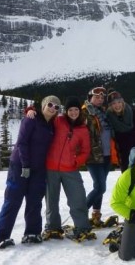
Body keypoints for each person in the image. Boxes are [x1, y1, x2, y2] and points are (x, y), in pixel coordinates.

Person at [0, 96, 60, 249]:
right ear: (43, 105)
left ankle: (32, 233)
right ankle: (1, 237)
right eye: (50, 104)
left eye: (56, 107)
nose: (53, 108)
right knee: (13, 200)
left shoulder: (52, 126)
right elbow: (22, 142)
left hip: (39, 169)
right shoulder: (30, 120)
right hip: (20, 166)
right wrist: (25, 165)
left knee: (35, 201)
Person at [42, 97, 93, 241]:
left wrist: (77, 161)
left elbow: (85, 150)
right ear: (66, 111)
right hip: (51, 168)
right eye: (70, 110)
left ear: (79, 111)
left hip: (70, 169)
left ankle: (82, 227)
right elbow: (43, 117)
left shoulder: (83, 129)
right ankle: (52, 227)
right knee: (51, 200)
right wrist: (30, 110)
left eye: (76, 109)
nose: (73, 112)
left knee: (78, 198)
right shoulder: (58, 121)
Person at [83, 86, 117, 227]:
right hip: (93, 156)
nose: (100, 99)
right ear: (90, 97)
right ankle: (80, 213)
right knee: (100, 187)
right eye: (96, 97)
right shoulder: (84, 112)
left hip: (107, 155)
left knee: (100, 185)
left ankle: (96, 215)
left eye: (102, 97)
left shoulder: (103, 112)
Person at [105, 89, 135, 171]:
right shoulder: (108, 117)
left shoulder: (131, 112)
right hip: (124, 154)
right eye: (114, 103)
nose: (117, 105)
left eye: (119, 102)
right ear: (110, 106)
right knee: (128, 178)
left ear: (122, 102)